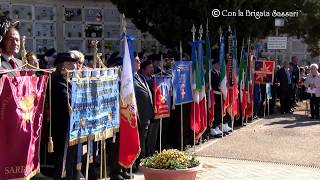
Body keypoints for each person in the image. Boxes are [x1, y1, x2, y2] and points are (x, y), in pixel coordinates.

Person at [51, 52, 84, 179]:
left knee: (70, 161)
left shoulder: (70, 81)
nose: (74, 66)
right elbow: (67, 104)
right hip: (63, 129)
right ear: (61, 66)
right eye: (70, 64)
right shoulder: (58, 82)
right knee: (63, 162)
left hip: (72, 128)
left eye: (75, 63)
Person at [133, 54, 154, 165]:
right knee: (137, 141)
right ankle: (136, 163)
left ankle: (141, 160)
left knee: (143, 140)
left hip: (146, 115)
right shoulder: (128, 78)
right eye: (137, 60)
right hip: (137, 115)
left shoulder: (139, 76)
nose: (139, 62)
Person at [139, 60, 158, 155]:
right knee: (146, 135)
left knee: (153, 134)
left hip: (156, 110)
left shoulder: (154, 79)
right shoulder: (142, 80)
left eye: (152, 67)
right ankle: (146, 154)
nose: (152, 69)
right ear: (143, 70)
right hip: (146, 112)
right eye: (149, 68)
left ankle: (151, 151)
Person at [210, 59, 223, 137]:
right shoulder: (212, 73)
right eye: (217, 64)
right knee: (215, 111)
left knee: (219, 111)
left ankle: (217, 126)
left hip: (219, 94)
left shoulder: (219, 73)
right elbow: (213, 84)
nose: (218, 66)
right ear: (214, 65)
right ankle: (213, 127)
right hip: (215, 94)